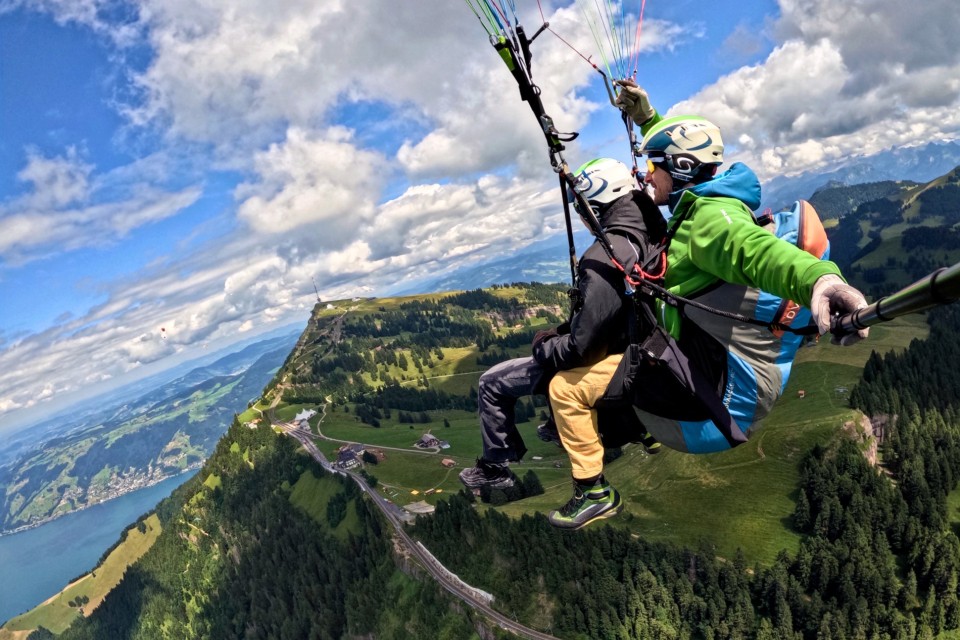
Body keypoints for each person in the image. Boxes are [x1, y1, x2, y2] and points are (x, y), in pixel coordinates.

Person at [542, 81, 870, 530]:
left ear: (677, 169)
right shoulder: (707, 201)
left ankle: (592, 491)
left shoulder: (710, 223)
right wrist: (648, 119)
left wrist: (819, 280)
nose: (646, 176)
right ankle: (622, 430)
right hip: (713, 371)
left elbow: (753, 252)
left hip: (714, 405)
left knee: (567, 388)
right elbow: (686, 174)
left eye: (654, 167)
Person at [459, 158, 666, 493]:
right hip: (632, 344)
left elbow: (581, 349)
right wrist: (564, 329)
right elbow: (608, 310)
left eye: (581, 209)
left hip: (611, 355)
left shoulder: (604, 255)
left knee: (492, 383)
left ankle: (497, 467)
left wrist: (543, 344)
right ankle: (615, 427)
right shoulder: (647, 230)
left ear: (593, 206)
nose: (581, 218)